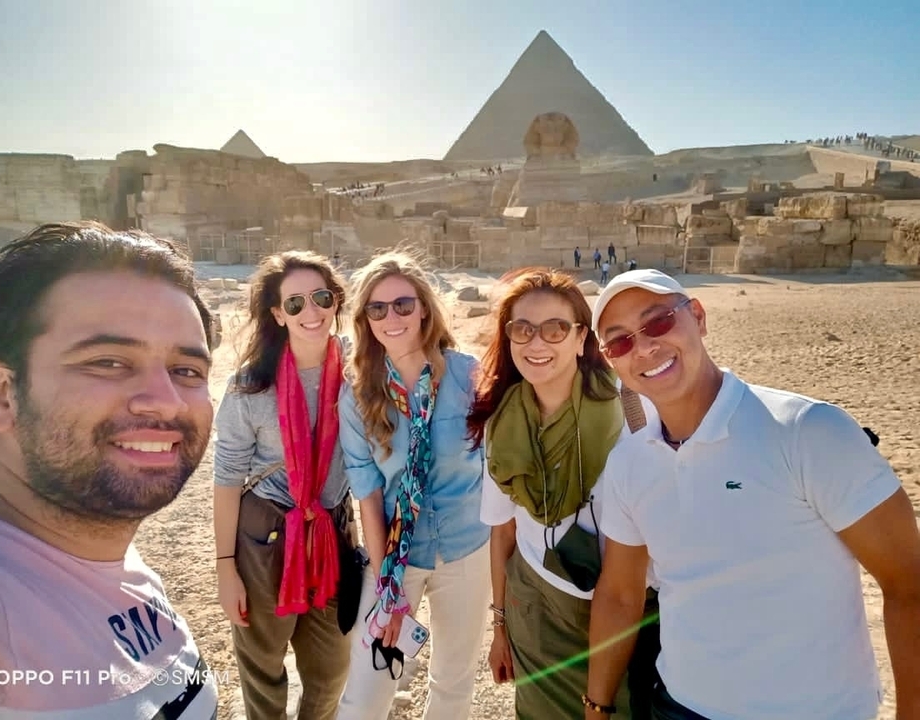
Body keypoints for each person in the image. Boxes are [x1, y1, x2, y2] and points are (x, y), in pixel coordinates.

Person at [586, 269, 920, 720]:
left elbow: (908, 584)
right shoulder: (630, 464)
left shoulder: (807, 431)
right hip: (680, 707)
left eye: (659, 322)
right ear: (611, 360)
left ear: (698, 317)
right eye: (620, 341)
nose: (644, 348)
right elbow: (621, 595)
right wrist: (596, 705)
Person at [0, 221, 219, 719]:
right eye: (108, 362)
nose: (164, 403)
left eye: (186, 371)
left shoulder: (116, 560)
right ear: (2, 394)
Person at [466, 268, 657, 719]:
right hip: (538, 606)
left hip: (631, 610)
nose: (536, 343)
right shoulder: (504, 421)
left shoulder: (635, 410)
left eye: (554, 328)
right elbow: (503, 531)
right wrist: (500, 625)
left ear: (579, 338)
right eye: (522, 329)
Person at [337, 252, 490, 720]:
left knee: (453, 682)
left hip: (467, 549)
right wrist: (388, 583)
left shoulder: (469, 376)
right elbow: (366, 493)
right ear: (365, 320)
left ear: (424, 308)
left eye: (403, 305)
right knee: (366, 692)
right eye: (377, 309)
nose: (391, 318)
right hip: (397, 558)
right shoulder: (358, 392)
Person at [214, 251, 358, 720]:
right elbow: (228, 476)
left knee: (333, 667)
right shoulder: (250, 386)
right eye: (294, 303)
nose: (310, 312)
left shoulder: (360, 374)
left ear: (336, 301)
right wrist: (225, 566)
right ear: (278, 314)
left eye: (320, 298)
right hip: (265, 535)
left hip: (333, 530)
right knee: (264, 667)